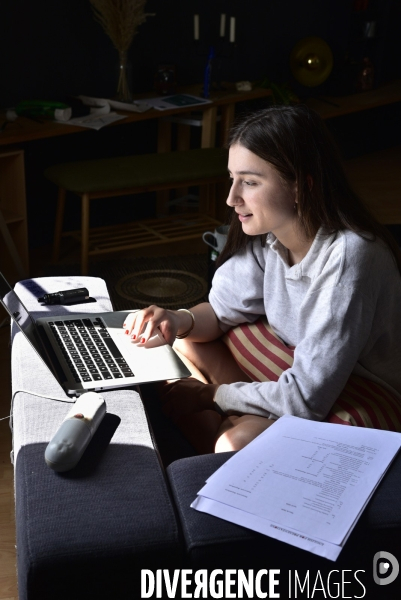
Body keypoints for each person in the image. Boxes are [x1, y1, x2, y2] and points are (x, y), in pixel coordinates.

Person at [123, 104, 401, 454]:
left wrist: (211, 395)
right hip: (293, 367)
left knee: (231, 443)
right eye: (232, 179)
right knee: (181, 342)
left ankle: (228, 435)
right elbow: (220, 312)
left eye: (250, 182)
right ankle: (238, 430)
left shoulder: (351, 255)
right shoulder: (268, 236)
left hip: (359, 391)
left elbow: (305, 399)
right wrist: (176, 319)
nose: (232, 198)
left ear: (302, 186)